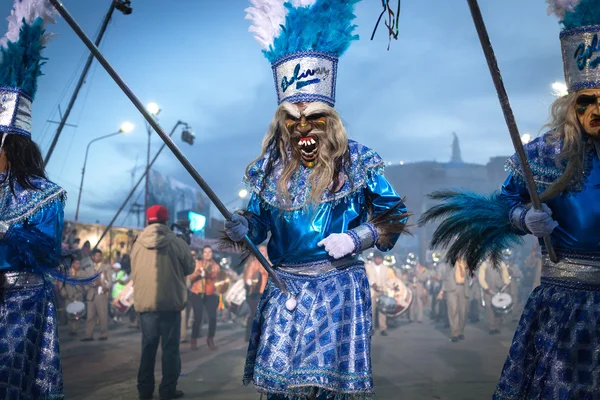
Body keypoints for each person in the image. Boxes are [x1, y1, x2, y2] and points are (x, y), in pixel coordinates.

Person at [224, 1, 409, 398]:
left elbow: (395, 215)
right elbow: (259, 224)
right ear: (282, 122)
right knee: (282, 388)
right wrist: (243, 228)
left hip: (338, 287)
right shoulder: (269, 168)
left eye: (315, 119)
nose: (303, 129)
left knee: (322, 387)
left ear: (331, 119)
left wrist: (357, 238)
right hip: (283, 285)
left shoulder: (358, 159)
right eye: (293, 120)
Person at [421, 1, 600, 396]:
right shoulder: (543, 155)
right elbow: (503, 205)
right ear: (572, 104)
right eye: (588, 99)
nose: (597, 110)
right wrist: (523, 218)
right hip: (565, 309)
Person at [0, 1, 82, 397]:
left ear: (10, 145)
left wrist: (5, 232)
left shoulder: (44, 195)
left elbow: (46, 250)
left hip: (21, 304)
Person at [131, 205, 194, 400]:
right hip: (170, 303)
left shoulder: (137, 244)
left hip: (146, 304)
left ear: (148, 220)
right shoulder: (176, 242)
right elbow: (190, 267)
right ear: (167, 221)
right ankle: (167, 390)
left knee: (148, 348)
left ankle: (144, 390)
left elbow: (135, 270)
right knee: (170, 349)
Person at [188, 246, 220, 350]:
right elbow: (190, 277)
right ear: (202, 254)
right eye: (205, 252)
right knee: (197, 318)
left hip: (211, 293)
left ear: (212, 254)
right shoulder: (197, 263)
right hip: (197, 292)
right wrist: (198, 273)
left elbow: (219, 280)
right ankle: (194, 339)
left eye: (209, 252)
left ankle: (210, 338)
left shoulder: (216, 266)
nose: (207, 254)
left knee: (213, 317)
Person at [82, 249, 112, 341]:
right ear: (92, 257)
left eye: (100, 256)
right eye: (96, 256)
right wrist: (93, 284)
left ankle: (104, 334)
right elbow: (86, 282)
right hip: (91, 295)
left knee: (102, 316)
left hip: (101, 294)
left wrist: (105, 286)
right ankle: (88, 335)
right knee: (90, 317)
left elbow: (110, 281)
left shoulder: (106, 267)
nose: (98, 257)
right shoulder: (88, 269)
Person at [365, 250, 397, 336]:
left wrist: (392, 286)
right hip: (372, 292)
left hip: (382, 291)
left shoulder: (385, 268)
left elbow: (387, 280)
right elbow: (366, 277)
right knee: (371, 311)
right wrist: (373, 284)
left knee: (383, 311)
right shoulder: (367, 266)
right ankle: (371, 329)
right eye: (378, 258)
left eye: (381, 259)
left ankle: (383, 328)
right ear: (374, 258)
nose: (379, 260)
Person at [437, 258, 468, 342]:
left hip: (463, 288)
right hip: (451, 289)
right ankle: (454, 333)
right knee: (453, 311)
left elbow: (470, 275)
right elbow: (443, 276)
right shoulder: (448, 263)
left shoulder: (465, 262)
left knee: (463, 311)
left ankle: (461, 331)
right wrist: (442, 291)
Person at [243, 245, 269, 341]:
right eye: (261, 250)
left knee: (263, 315)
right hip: (255, 293)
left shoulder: (269, 263)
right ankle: (250, 335)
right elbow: (248, 277)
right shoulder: (254, 263)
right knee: (254, 314)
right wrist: (250, 281)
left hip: (266, 293)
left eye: (265, 251)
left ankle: (260, 336)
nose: (263, 252)